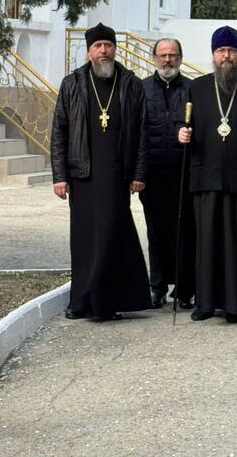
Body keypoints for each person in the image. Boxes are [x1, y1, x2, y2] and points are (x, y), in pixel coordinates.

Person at [51, 22, 151, 321]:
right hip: (82, 174)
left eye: (108, 45)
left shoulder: (131, 83)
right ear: (89, 51)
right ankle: (81, 301)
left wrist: (139, 173)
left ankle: (108, 302)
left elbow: (143, 132)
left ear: (115, 49)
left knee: (110, 236)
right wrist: (59, 176)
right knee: (84, 239)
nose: (104, 51)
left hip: (117, 174)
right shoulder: (72, 83)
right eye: (98, 46)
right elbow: (59, 132)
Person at [178, 25, 237, 323]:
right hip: (205, 177)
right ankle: (205, 303)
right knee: (206, 243)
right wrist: (181, 134)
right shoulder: (197, 87)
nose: (226, 56)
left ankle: (235, 304)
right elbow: (183, 124)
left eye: (231, 51)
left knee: (236, 243)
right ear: (213, 54)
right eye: (221, 51)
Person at [140, 38, 195, 309]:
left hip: (183, 172)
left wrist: (191, 134)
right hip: (152, 173)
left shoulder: (193, 89)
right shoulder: (142, 89)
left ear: (180, 58)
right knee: (156, 232)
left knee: (185, 232)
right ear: (154, 58)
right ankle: (157, 287)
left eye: (172, 55)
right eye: (162, 55)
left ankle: (184, 290)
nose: (167, 60)